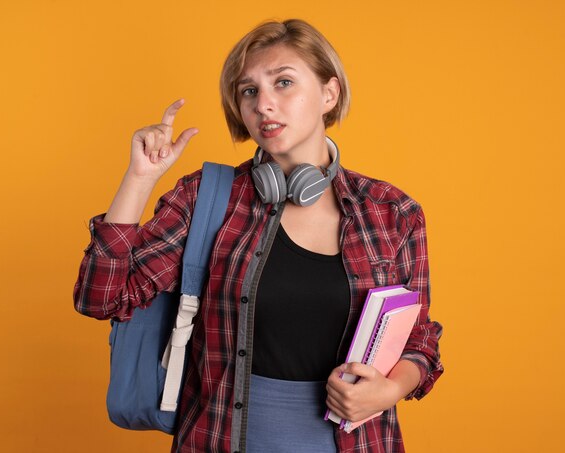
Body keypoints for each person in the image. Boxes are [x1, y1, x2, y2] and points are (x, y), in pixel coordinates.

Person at [74, 18, 443, 453]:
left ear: (329, 93)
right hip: (217, 440)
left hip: (356, 443)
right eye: (249, 91)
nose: (264, 104)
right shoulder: (206, 198)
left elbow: (420, 338)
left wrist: (390, 389)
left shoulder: (391, 212)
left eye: (283, 82)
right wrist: (138, 179)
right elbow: (102, 298)